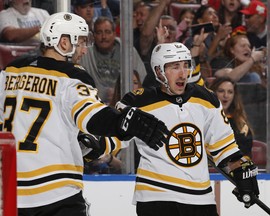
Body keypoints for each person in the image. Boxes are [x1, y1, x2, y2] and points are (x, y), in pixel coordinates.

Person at [0, 12, 170, 216]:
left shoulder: (11, 71)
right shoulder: (71, 78)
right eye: (80, 42)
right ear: (63, 42)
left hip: (11, 190)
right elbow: (95, 118)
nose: (84, 49)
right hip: (57, 191)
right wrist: (125, 123)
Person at [114, 42, 260, 215]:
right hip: (156, 196)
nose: (183, 73)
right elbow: (112, 137)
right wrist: (94, 146)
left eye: (185, 65)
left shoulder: (206, 98)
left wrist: (241, 173)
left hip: (201, 198)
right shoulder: (138, 102)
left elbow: (225, 147)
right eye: (175, 67)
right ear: (159, 71)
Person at [80, 16, 147, 105]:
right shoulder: (85, 53)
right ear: (94, 35)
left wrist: (119, 93)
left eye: (107, 32)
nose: (103, 37)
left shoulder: (128, 50)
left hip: (127, 101)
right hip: (94, 103)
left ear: (114, 34)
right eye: (99, 32)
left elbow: (140, 78)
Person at [209, 77, 253, 158]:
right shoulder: (203, 119)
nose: (226, 95)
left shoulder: (241, 124)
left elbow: (245, 153)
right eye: (221, 91)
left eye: (230, 92)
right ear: (213, 93)